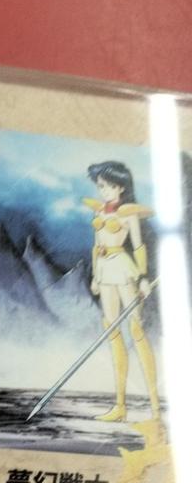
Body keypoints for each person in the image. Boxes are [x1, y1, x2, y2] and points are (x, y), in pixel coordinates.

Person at [83, 160, 158, 421]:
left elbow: (138, 246)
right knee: (112, 332)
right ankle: (120, 406)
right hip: (104, 272)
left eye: (108, 186)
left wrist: (143, 278)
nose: (103, 191)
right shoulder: (99, 212)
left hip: (125, 271)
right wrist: (95, 275)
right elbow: (96, 246)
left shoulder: (129, 213)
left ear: (121, 187)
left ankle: (155, 408)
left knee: (136, 330)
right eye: (100, 186)